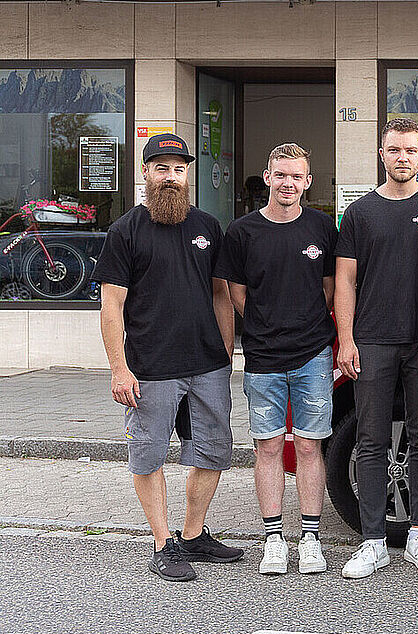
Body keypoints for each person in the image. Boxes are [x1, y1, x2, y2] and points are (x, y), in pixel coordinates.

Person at [95, 132, 243, 581]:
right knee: (149, 454)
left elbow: (220, 294)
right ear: (145, 173)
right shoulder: (125, 231)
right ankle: (163, 544)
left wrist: (225, 351)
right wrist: (119, 368)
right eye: (162, 168)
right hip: (151, 368)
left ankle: (193, 534)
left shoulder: (206, 227)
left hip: (207, 366)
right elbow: (111, 305)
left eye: (179, 169)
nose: (171, 177)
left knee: (213, 451)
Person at [335, 118, 418, 579]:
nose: (402, 157)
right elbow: (345, 280)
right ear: (382, 154)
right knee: (370, 438)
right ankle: (372, 541)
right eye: (394, 150)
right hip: (371, 340)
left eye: (411, 150)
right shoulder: (359, 213)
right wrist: (347, 337)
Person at [215, 143, 336, 575]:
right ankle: (273, 539)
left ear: (308, 182)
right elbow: (238, 295)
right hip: (263, 357)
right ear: (268, 178)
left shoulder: (322, 228)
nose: (288, 184)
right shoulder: (242, 232)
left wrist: (301, 323)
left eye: (297, 177)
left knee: (308, 445)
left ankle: (310, 539)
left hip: (314, 355)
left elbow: (328, 290)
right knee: (267, 447)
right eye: (280, 175)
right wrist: (267, 325)